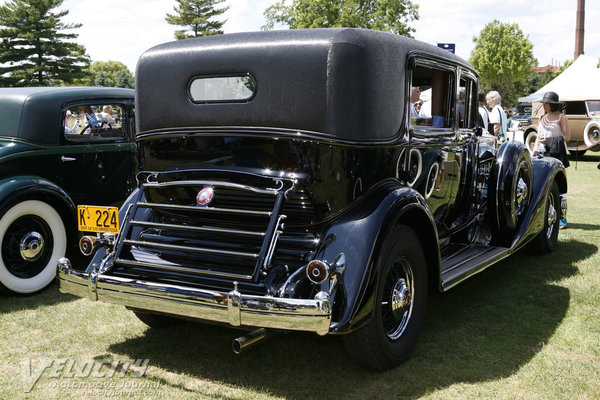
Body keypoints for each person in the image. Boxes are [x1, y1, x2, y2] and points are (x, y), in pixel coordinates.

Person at [532, 91, 570, 228]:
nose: (544, 105)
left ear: (552, 104)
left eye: (546, 103)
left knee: (557, 187)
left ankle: (562, 218)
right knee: (540, 186)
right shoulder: (542, 117)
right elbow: (538, 136)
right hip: (541, 155)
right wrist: (534, 151)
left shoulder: (561, 117)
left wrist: (548, 141)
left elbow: (567, 137)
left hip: (556, 154)